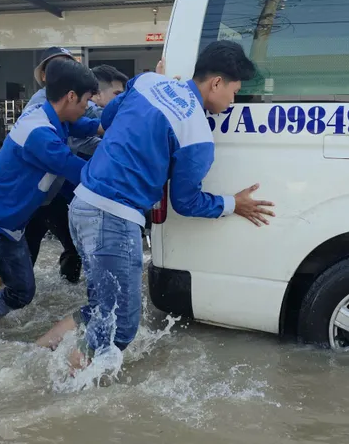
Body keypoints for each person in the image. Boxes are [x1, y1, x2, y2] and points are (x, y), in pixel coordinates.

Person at [35, 40, 275, 369]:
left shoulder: (149, 82)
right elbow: (186, 202)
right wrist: (233, 203)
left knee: (102, 308)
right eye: (235, 92)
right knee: (121, 327)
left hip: (81, 205)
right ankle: (66, 384)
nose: (233, 101)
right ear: (216, 83)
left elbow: (109, 116)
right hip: (114, 217)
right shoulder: (197, 134)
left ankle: (36, 355)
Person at [0, 58, 99, 340]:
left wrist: (122, 118)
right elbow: (81, 172)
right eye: (87, 100)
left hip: (10, 230)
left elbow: (87, 126)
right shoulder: (40, 133)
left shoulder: (54, 119)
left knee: (22, 292)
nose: (88, 106)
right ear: (71, 96)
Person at [0, 48, 104, 291]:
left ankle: (61, 291)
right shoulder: (41, 110)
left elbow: (88, 126)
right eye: (54, 68)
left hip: (50, 194)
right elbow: (72, 152)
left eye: (67, 66)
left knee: (72, 245)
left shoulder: (63, 110)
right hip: (28, 201)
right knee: (19, 264)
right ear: (43, 77)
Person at [53, 64, 130, 282]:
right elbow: (88, 139)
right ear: (95, 95)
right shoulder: (90, 113)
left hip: (62, 193)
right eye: (117, 94)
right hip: (59, 195)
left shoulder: (81, 117)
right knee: (75, 249)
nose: (120, 100)